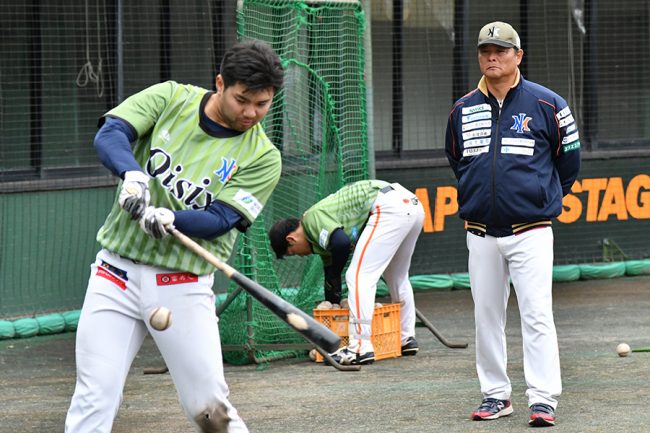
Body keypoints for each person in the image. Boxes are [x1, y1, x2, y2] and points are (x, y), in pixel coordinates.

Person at [65, 40, 284, 433]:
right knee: (94, 394)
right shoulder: (172, 98)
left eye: (262, 103)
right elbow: (111, 132)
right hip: (115, 275)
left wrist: (173, 216)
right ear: (220, 83)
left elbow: (221, 218)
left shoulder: (263, 156)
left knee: (209, 409)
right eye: (242, 99)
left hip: (182, 285)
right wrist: (132, 174)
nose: (251, 112)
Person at [445, 21, 581, 427]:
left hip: (532, 231)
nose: (492, 57)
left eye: (501, 50)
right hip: (481, 233)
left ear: (518, 56)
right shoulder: (462, 108)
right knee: (486, 315)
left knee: (537, 315)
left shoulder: (548, 104)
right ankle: (495, 395)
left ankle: (542, 400)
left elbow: (569, 162)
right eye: (486, 50)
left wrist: (540, 198)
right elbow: (458, 162)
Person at [268, 180, 425, 365]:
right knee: (397, 276)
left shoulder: (311, 219)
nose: (300, 256)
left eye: (293, 252)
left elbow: (341, 243)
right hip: (411, 204)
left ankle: (360, 346)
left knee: (358, 276)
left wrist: (337, 270)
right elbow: (331, 276)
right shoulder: (319, 240)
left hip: (389, 207)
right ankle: (405, 338)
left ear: (291, 239)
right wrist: (333, 311)